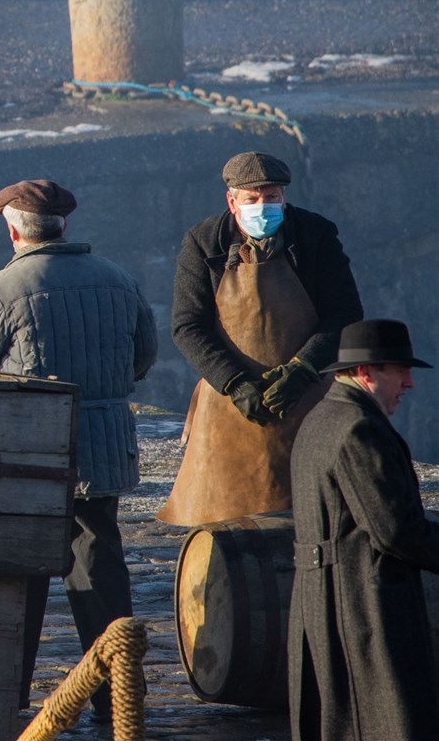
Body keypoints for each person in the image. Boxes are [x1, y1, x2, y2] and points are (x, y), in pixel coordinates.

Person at [0, 179, 155, 722]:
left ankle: (9, 699)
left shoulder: (5, 290)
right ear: (65, 225)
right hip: (103, 451)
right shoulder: (120, 281)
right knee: (101, 572)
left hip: (30, 460)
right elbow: (141, 360)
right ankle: (119, 701)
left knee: (17, 574)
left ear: (13, 230)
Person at [157, 152, 363, 526]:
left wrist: (303, 368)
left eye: (272, 197)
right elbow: (187, 325)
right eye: (252, 199)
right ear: (231, 201)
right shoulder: (204, 243)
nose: (263, 207)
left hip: (308, 396)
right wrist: (234, 383)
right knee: (220, 519)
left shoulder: (315, 235)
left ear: (284, 197)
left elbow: (345, 311)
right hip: (229, 407)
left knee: (320, 511)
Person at [289, 318, 438, 741]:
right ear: (366, 372)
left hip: (323, 602)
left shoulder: (320, 419)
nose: (408, 383)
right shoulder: (359, 428)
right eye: (400, 371)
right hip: (362, 606)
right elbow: (396, 531)